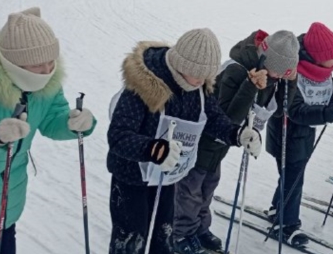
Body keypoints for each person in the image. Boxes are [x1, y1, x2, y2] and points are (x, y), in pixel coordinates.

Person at [0, 7, 97, 254]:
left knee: (7, 239)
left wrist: (74, 124)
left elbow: (53, 120)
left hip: (13, 185)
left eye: (52, 61)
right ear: (14, 63)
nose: (48, 69)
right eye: (39, 64)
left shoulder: (46, 84)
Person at [107, 29, 261, 254]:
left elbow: (213, 117)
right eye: (195, 74)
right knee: (132, 239)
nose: (199, 81)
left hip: (167, 176)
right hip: (132, 176)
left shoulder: (198, 86)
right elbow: (118, 136)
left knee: (164, 236)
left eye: (204, 76)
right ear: (180, 65)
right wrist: (155, 149)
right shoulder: (144, 84)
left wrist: (237, 134)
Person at [172, 29, 298, 254]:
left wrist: (290, 81)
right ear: (267, 61)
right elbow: (227, 118)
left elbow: (279, 110)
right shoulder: (235, 71)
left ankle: (200, 228)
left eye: (282, 75)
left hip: (220, 147)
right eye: (278, 74)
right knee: (190, 191)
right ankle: (182, 233)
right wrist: (250, 86)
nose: (277, 78)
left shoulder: (268, 74)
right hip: (200, 141)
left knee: (208, 187)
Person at [264, 23, 333, 247]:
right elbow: (295, 111)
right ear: (317, 56)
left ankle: (277, 208)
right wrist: (326, 113)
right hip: (286, 135)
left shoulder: (323, 74)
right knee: (294, 178)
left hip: (304, 138)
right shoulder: (292, 72)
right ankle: (287, 224)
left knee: (292, 175)